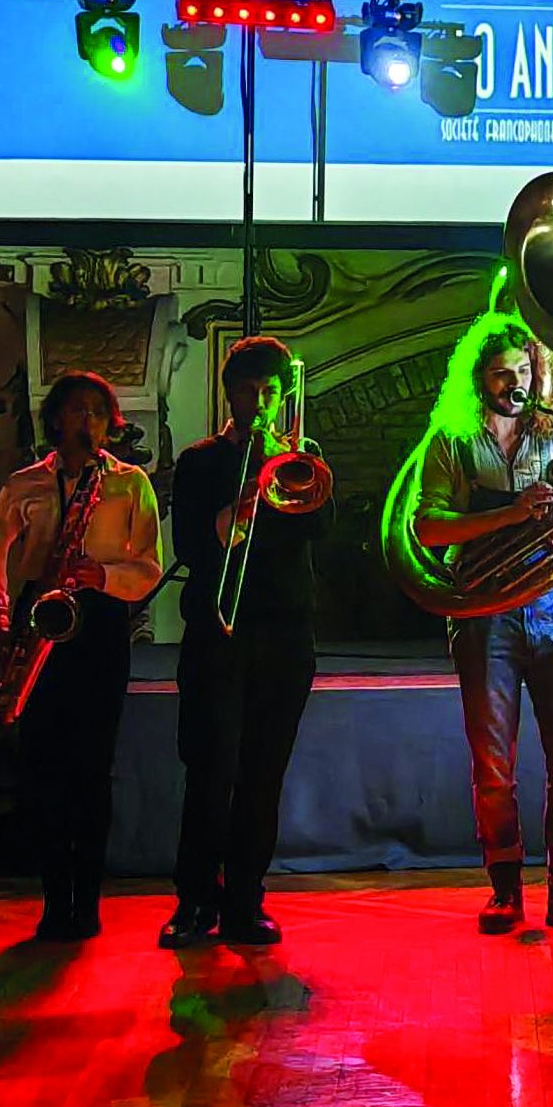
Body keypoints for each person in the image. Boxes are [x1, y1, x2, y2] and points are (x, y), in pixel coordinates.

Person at [387, 316, 553, 937]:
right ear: (479, 378)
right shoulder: (453, 436)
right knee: (494, 761)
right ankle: (505, 889)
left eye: (522, 371)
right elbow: (428, 528)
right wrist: (512, 515)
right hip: (484, 611)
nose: (513, 382)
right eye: (501, 373)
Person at [0, 371, 162, 943]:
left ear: (110, 424)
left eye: (98, 413)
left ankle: (88, 900)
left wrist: (101, 574)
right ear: (55, 419)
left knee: (92, 770)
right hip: (40, 624)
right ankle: (55, 900)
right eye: (77, 411)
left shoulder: (130, 485)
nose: (87, 422)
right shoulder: (24, 484)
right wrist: (1, 630)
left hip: (99, 621)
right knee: (43, 772)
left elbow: (151, 568)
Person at [161, 336, 328, 949]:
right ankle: (194, 899)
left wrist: (285, 471)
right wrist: (242, 507)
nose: (260, 403)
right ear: (229, 395)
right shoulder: (201, 461)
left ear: (284, 396)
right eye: (249, 392)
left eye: (270, 392)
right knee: (211, 768)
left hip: (284, 634)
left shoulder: (301, 456)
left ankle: (245, 901)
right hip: (219, 632)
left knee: (263, 773)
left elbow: (322, 526)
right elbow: (191, 551)